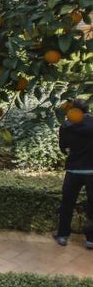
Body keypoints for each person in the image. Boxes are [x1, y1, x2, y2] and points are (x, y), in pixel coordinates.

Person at [56, 100, 93, 248]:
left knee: (67, 203)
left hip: (73, 170)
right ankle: (91, 239)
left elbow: (63, 148)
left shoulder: (66, 127)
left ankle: (63, 235)